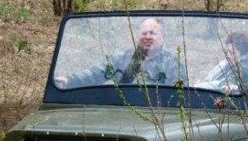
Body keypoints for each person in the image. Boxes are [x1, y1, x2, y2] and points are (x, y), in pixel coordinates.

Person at [54, 17, 185, 88]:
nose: (147, 37)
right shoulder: (124, 57)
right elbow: (97, 73)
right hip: (122, 112)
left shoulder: (173, 64)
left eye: (153, 33)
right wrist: (69, 81)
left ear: (163, 36)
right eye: (144, 33)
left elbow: (179, 95)